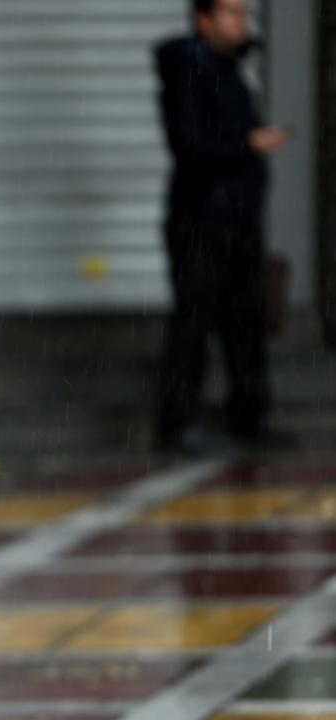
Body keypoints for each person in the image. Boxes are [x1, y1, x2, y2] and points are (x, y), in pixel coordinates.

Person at [153, 0, 291, 453]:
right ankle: (178, 423)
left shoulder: (231, 68)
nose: (241, 23)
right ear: (203, 20)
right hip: (201, 220)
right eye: (231, 14)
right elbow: (191, 144)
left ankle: (249, 417)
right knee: (193, 322)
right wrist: (248, 144)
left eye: (244, 14)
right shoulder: (189, 68)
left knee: (245, 322)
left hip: (238, 218)